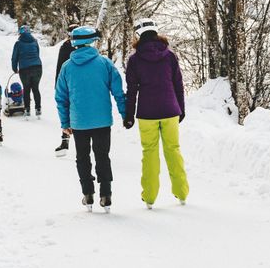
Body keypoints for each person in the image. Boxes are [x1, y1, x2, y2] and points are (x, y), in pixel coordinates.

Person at [55, 26, 126, 212]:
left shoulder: (67, 67)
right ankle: (106, 194)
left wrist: (65, 123)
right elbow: (118, 91)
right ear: (93, 41)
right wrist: (125, 113)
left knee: (82, 157)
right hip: (102, 121)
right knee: (102, 156)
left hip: (79, 123)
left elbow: (61, 97)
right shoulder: (105, 63)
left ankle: (88, 194)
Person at [123, 18, 189, 209]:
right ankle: (182, 192)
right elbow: (178, 84)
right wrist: (181, 108)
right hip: (170, 111)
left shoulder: (134, 60)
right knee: (173, 150)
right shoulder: (169, 56)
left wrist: (128, 115)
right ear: (156, 32)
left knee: (150, 153)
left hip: (147, 113)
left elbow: (132, 90)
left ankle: (150, 197)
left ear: (138, 35)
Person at [54, 24, 79, 156]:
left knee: (69, 112)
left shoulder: (67, 46)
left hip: (71, 84)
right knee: (69, 111)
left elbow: (59, 68)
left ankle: (66, 141)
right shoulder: (66, 47)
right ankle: (65, 141)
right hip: (70, 85)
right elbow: (60, 68)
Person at [11, 25, 43, 119]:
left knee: (26, 89)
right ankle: (38, 109)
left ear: (20, 33)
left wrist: (14, 68)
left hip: (25, 69)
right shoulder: (35, 41)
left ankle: (27, 110)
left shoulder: (18, 43)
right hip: (37, 67)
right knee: (36, 88)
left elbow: (14, 58)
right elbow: (37, 53)